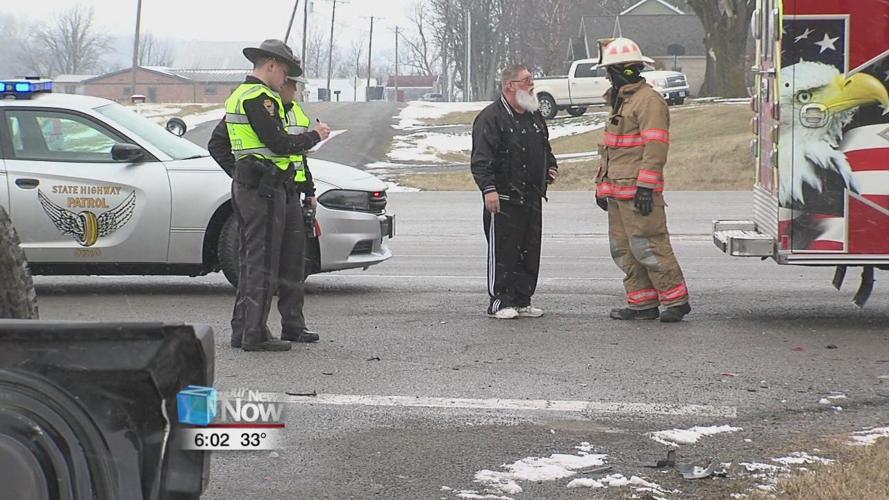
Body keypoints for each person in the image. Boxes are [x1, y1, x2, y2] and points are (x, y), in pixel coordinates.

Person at [209, 39, 330, 351]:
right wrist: (314, 136)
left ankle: (247, 330)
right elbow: (277, 143)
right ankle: (254, 334)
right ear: (272, 65)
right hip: (260, 189)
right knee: (260, 263)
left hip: (274, 187)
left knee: (271, 260)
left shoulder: (259, 98)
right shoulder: (257, 98)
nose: (287, 80)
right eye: (285, 72)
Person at [593, 37, 690, 322]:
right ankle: (642, 304)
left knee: (650, 246)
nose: (608, 76)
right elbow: (612, 149)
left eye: (610, 70)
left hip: (638, 192)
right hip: (618, 192)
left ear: (625, 70)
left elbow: (655, 147)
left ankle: (676, 301)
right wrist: (602, 187)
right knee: (624, 249)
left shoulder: (648, 101)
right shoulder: (621, 100)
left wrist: (646, 187)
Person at [470, 64, 558, 319]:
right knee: (504, 251)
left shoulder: (534, 115)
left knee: (529, 250)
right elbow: (481, 160)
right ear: (510, 85)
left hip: (531, 195)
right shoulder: (491, 117)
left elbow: (544, 147)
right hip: (504, 198)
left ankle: (522, 299)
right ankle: (500, 301)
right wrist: (489, 189)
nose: (532, 85)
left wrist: (550, 167)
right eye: (526, 80)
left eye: (532, 79)